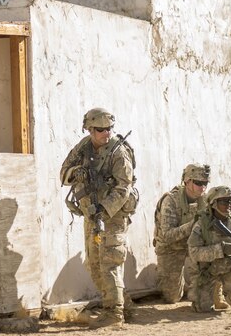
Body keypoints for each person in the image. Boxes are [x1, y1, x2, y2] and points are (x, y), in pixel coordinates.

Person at [60, 108, 138, 327]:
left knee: (109, 263)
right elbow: (63, 174)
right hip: (91, 215)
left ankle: (114, 314)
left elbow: (124, 187)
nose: (106, 133)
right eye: (100, 129)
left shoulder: (118, 152)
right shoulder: (83, 147)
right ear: (89, 129)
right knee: (94, 264)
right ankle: (124, 303)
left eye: (109, 129)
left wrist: (103, 210)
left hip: (113, 216)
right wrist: (77, 172)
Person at [187, 185, 231, 312]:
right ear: (213, 203)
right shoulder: (202, 225)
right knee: (202, 309)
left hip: (229, 270)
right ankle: (214, 290)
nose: (229, 204)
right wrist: (221, 250)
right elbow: (193, 252)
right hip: (208, 272)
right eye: (224, 201)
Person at [153, 163, 209, 303]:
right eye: (198, 183)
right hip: (170, 249)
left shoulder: (206, 200)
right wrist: (191, 226)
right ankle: (169, 278)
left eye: (205, 183)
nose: (202, 187)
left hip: (194, 247)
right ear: (187, 181)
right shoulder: (171, 200)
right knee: (172, 297)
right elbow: (167, 236)